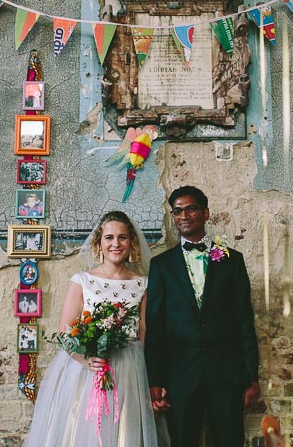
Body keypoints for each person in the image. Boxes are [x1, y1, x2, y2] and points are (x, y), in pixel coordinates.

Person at [23, 211, 163, 447]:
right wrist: (85, 359)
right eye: (109, 238)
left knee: (125, 432)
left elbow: (144, 333)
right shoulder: (82, 280)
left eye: (122, 237)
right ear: (99, 243)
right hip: (87, 370)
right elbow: (65, 331)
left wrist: (147, 380)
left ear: (132, 242)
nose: (115, 244)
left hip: (130, 370)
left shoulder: (142, 284)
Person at [145, 186, 260, 446]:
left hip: (227, 374)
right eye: (177, 211)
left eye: (191, 208)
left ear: (206, 213)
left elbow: (245, 320)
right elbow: (155, 327)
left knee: (230, 440)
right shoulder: (161, 265)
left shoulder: (232, 260)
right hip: (180, 376)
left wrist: (252, 377)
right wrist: (155, 380)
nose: (184, 215)